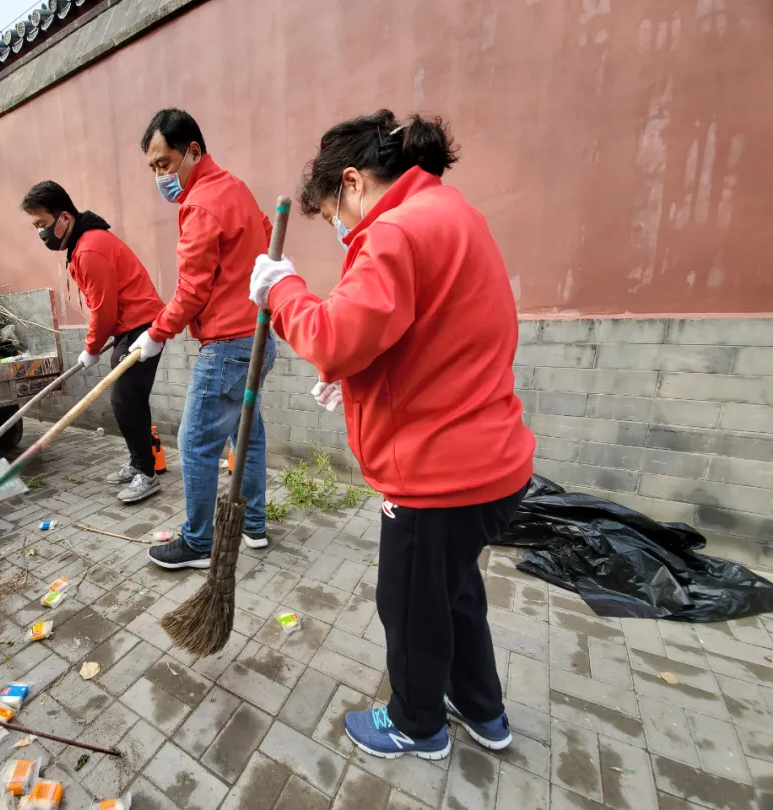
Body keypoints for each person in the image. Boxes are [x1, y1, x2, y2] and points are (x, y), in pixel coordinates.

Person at [249, 110, 535, 761]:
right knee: (453, 592)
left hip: (439, 475)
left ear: (351, 182)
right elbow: (426, 334)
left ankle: (417, 724)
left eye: (331, 215)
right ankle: (481, 708)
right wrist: (354, 380)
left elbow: (332, 337)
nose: (340, 231)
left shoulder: (397, 231)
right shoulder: (449, 211)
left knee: (408, 606)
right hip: (489, 464)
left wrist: (282, 290)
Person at [131, 108, 277, 568]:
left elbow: (192, 289)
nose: (160, 176)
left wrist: (155, 334)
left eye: (164, 163)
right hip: (257, 337)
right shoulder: (234, 188)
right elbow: (267, 235)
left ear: (193, 151)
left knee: (195, 443)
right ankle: (252, 525)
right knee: (246, 437)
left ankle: (198, 542)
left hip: (228, 346)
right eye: (153, 168)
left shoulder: (201, 204)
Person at [22, 181, 165, 503]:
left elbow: (103, 307)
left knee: (124, 401)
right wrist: (97, 344)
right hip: (130, 327)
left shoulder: (89, 249)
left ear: (64, 218)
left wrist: (90, 348)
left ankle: (146, 473)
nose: (41, 233)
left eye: (43, 224)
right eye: (36, 227)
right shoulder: (86, 243)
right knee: (131, 402)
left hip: (142, 329)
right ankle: (139, 462)